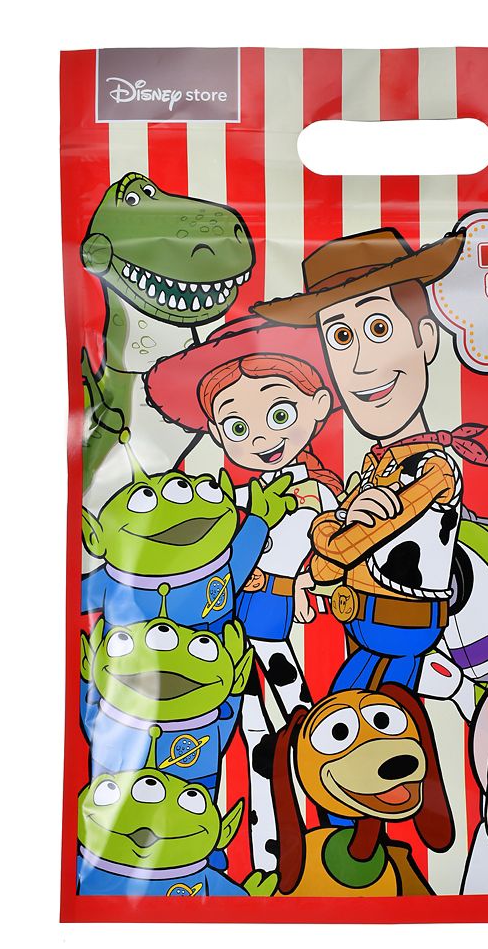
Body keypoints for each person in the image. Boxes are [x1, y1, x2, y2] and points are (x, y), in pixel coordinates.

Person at [253, 227, 488, 706]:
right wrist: (326, 544)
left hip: (400, 631)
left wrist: (327, 531)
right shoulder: (372, 468)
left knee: (351, 727)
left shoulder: (434, 468)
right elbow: (332, 554)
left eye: (378, 329)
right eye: (340, 337)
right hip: (367, 630)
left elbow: (346, 545)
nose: (359, 365)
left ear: (425, 339)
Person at [145, 317, 342, 870]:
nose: (261, 440)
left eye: (280, 416)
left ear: (318, 405)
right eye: (237, 427)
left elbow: (328, 556)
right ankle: (267, 860)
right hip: (224, 639)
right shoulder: (222, 500)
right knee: (253, 742)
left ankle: (325, 838)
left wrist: (308, 581)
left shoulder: (317, 494)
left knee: (303, 729)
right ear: (216, 432)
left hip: (277, 628)